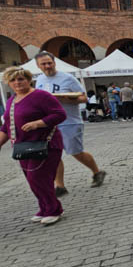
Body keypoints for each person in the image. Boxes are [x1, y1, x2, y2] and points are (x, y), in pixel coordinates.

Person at [0, 67, 66, 225]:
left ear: (29, 80)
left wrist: (38, 123)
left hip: (45, 144)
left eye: (21, 79)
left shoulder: (41, 96)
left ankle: (54, 209)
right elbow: (6, 126)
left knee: (38, 177)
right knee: (32, 180)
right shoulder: (12, 100)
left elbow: (60, 114)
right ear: (8, 83)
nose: (17, 83)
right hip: (23, 147)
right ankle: (44, 208)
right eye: (13, 80)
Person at [33, 51, 107, 196]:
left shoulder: (68, 78)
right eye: (43, 64)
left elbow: (84, 98)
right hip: (49, 124)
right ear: (38, 66)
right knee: (53, 155)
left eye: (49, 63)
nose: (47, 66)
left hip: (69, 122)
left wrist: (65, 99)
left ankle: (97, 172)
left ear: (54, 63)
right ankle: (60, 186)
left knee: (75, 152)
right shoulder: (40, 79)